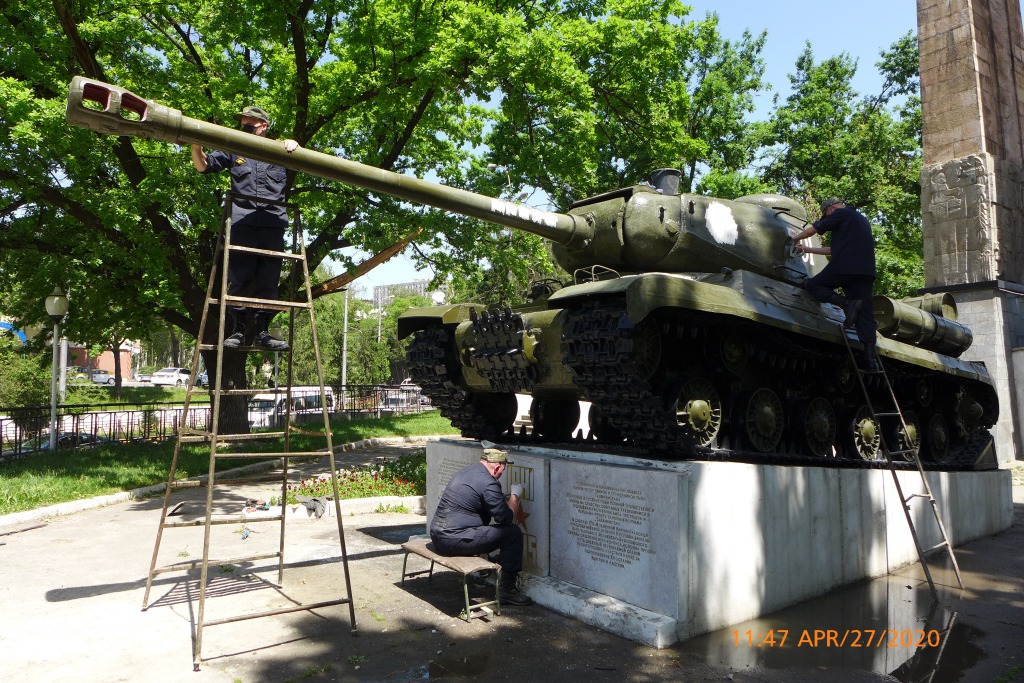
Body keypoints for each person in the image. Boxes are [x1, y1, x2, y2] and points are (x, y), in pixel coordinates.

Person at [191, 105, 298, 351]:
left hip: (272, 224)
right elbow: (203, 166)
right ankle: (237, 330)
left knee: (268, 280)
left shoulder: (280, 150)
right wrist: (196, 147)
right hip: (243, 223)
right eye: (243, 122)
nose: (245, 125)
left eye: (250, 122)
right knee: (238, 277)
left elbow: (305, 161)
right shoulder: (234, 148)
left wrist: (294, 145)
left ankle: (262, 332)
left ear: (264, 126)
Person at [429, 444, 534, 606]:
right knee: (512, 533)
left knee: (491, 532)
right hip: (453, 540)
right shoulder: (488, 483)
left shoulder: (468, 471)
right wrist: (514, 496)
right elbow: (506, 518)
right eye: (502, 471)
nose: (501, 474)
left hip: (438, 535)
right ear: (497, 467)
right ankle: (507, 591)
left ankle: (498, 561)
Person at [791, 198, 879, 372]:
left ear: (830, 209)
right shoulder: (860, 219)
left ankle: (846, 304)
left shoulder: (840, 213)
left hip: (845, 267)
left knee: (813, 285)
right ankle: (871, 361)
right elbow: (832, 250)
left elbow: (814, 229)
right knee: (865, 314)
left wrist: (795, 238)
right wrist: (807, 249)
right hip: (866, 271)